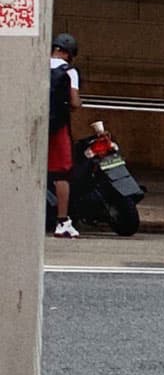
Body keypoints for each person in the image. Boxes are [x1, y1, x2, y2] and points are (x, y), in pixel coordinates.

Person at [47, 33, 80, 238]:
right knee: (61, 174)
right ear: (69, 53)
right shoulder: (69, 71)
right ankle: (63, 221)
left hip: (35, 125)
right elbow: (75, 102)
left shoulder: (36, 62)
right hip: (57, 128)